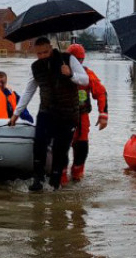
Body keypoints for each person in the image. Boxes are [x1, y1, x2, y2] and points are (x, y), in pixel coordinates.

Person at [9, 37, 88, 192]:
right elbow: (29, 90)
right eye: (39, 53)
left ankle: (55, 182)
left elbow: (84, 80)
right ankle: (37, 179)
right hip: (46, 111)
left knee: (60, 149)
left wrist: (71, 74)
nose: (43, 56)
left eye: (45, 52)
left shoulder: (68, 59)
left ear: (51, 48)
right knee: (39, 144)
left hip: (68, 113)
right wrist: (16, 114)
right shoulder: (36, 67)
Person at [66, 43, 108, 183]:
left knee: (82, 147)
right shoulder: (59, 73)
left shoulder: (88, 74)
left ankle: (77, 174)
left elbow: (101, 93)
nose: (78, 63)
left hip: (81, 116)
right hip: (62, 116)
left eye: (80, 60)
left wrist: (103, 115)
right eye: (75, 59)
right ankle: (60, 177)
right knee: (60, 148)